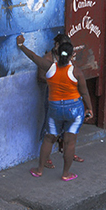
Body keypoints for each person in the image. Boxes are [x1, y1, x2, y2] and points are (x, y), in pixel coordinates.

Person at [17, 33, 93, 181]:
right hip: (75, 110)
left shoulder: (50, 67)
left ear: (57, 53)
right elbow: (84, 92)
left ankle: (39, 170)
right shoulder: (77, 72)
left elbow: (33, 57)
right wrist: (89, 108)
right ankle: (66, 174)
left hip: (55, 109)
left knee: (49, 138)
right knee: (70, 142)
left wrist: (21, 45)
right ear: (72, 55)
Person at [37, 34, 84, 168]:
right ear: (55, 45)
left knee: (68, 128)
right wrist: (57, 82)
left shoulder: (65, 56)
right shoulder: (47, 59)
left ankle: (67, 150)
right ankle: (46, 158)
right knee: (49, 128)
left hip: (67, 98)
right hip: (53, 96)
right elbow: (40, 77)